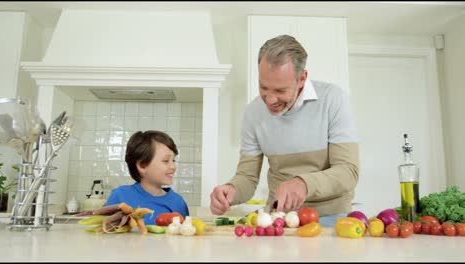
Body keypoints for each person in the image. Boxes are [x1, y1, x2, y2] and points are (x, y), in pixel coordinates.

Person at [209, 35, 359, 227]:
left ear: (302, 79)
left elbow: (348, 172)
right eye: (263, 87)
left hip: (331, 217)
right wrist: (230, 190)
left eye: (280, 91)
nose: (270, 100)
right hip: (279, 219)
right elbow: (247, 177)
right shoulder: (253, 113)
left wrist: (303, 184)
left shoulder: (333, 100)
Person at [105, 130, 189, 225]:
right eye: (166, 161)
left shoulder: (178, 203)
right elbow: (107, 231)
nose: (173, 166)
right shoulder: (120, 196)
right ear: (142, 166)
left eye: (173, 160)